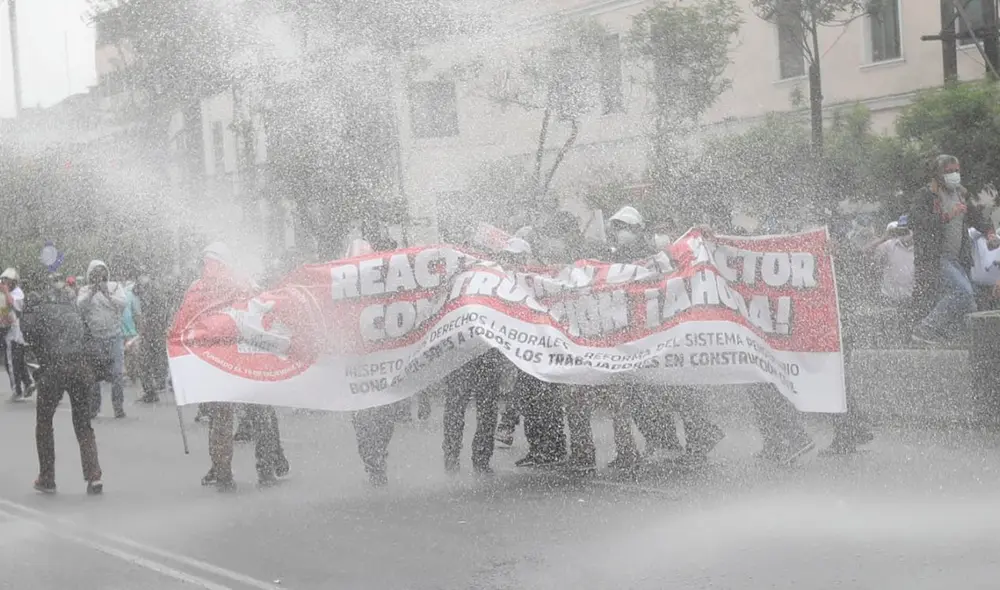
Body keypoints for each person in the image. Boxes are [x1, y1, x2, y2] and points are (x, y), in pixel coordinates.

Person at [172, 242, 291, 491]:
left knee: (220, 418)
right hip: (249, 359)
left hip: (218, 363)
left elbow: (183, 324)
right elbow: (265, 314)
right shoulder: (245, 284)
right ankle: (266, 468)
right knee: (261, 412)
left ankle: (224, 473)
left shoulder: (197, 289)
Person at [22, 279, 103, 495]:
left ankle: (47, 477)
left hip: (54, 370)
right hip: (80, 369)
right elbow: (89, 340)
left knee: (44, 422)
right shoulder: (74, 311)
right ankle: (94, 475)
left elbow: (29, 337)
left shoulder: (41, 311)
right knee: (83, 423)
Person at [909, 155, 998, 345]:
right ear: (938, 174)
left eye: (956, 170)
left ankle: (957, 339)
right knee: (963, 293)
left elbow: (978, 217)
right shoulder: (926, 195)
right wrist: (947, 216)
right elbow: (917, 221)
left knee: (969, 302)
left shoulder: (961, 194)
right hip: (937, 257)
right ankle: (926, 328)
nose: (954, 175)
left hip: (959, 258)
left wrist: (990, 233)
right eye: (948, 172)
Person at [77, 260, 128, 419]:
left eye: (102, 273)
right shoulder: (85, 290)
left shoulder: (114, 287)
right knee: (94, 375)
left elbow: (123, 304)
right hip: (95, 338)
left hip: (115, 336)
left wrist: (108, 294)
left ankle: (118, 407)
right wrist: (92, 293)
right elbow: (79, 306)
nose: (99, 277)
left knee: (117, 374)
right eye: (95, 273)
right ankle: (94, 408)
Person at [133, 274, 170, 403]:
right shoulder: (153, 291)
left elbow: (156, 313)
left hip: (153, 331)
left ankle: (152, 389)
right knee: (153, 359)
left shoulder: (151, 292)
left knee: (146, 360)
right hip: (155, 331)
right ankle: (154, 387)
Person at [1, 267, 34, 401]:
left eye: (8, 281)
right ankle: (28, 383)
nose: (5, 283)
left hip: (15, 333)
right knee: (18, 361)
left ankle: (17, 390)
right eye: (4, 281)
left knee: (12, 363)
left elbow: (11, 303)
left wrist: (5, 291)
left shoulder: (18, 293)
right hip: (5, 330)